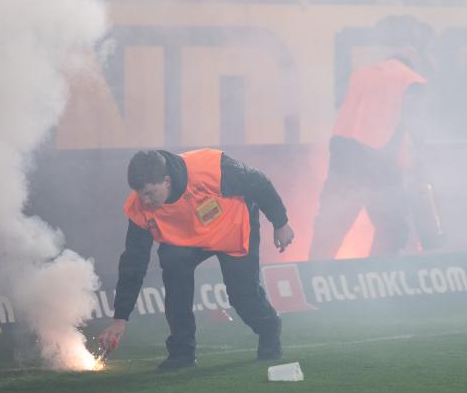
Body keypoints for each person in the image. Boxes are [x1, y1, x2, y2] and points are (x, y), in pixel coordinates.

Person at [98, 148, 294, 370]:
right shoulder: (139, 206)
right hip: (187, 240)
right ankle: (182, 353)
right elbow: (133, 262)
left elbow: (258, 182)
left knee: (243, 297)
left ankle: (269, 328)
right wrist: (120, 318)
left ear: (167, 181)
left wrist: (280, 222)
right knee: (173, 265)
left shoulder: (210, 168)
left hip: (232, 228)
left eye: (150, 193)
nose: (144, 200)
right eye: (140, 193)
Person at [309, 47, 429, 260]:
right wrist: (418, 158)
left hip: (342, 154)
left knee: (332, 222)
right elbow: (412, 125)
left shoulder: (362, 74)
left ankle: (313, 278)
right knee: (393, 226)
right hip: (377, 157)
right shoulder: (410, 79)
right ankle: (375, 275)